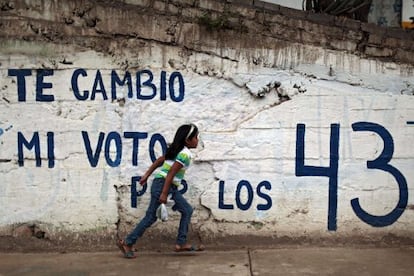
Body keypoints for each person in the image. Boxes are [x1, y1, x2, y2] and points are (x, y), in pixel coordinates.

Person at [117, 123, 204, 258]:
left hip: (164, 185)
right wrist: (164, 193)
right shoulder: (185, 154)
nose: (198, 140)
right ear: (188, 140)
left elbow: (159, 161)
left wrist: (146, 175)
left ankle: (180, 243)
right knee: (151, 217)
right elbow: (170, 174)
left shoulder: (177, 150)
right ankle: (128, 242)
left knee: (186, 210)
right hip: (165, 186)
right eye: (196, 137)